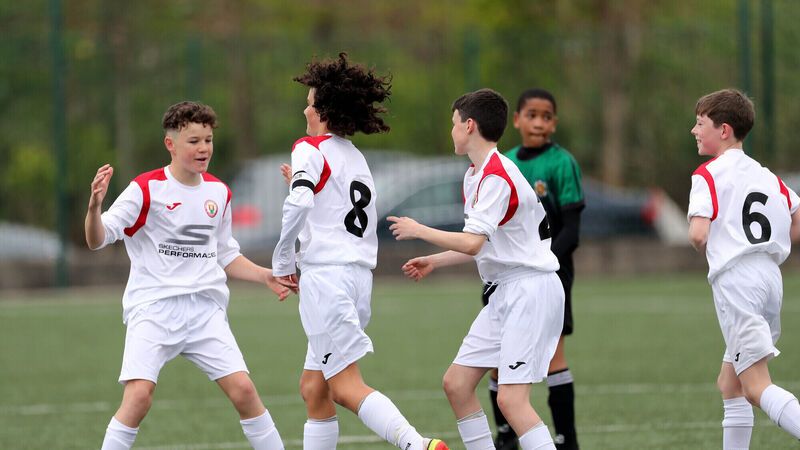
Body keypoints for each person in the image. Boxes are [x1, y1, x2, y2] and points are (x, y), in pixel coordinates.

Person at [85, 101, 290, 450]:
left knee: (244, 390)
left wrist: (264, 276)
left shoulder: (219, 192)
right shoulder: (145, 189)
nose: (204, 149)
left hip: (204, 310)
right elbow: (96, 240)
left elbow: (224, 254)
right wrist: (94, 207)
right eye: (194, 141)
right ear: (171, 144)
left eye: (208, 140)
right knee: (138, 399)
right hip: (153, 308)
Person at [271, 53, 448, 450]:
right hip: (356, 281)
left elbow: (300, 205)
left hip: (327, 280)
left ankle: (417, 444)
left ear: (323, 111)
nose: (305, 107)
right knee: (314, 388)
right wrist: (299, 188)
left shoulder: (308, 147)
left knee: (347, 387)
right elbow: (329, 208)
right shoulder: (355, 157)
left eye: (310, 101)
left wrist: (283, 262)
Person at [389, 88, 564, 450]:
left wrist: (418, 230)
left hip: (529, 291)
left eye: (454, 123)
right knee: (456, 384)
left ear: (469, 126)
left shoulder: (497, 175)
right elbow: (482, 244)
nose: (451, 131)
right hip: (506, 291)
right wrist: (434, 261)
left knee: (512, 401)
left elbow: (471, 243)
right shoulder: (477, 175)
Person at [688, 88, 800, 449]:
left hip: (738, 282)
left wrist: (715, 241)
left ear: (723, 130)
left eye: (700, 123)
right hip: (770, 276)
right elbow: (797, 218)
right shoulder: (767, 175)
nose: (694, 130)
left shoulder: (707, 174)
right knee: (731, 384)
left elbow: (698, 234)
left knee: (755, 386)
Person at [482, 88, 584, 450]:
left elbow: (571, 227)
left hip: (549, 273)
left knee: (554, 353)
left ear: (554, 122)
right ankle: (506, 436)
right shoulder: (504, 162)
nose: (539, 122)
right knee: (496, 355)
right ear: (516, 120)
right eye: (531, 115)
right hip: (504, 275)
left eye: (546, 116)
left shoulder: (562, 164)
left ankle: (565, 439)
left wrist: (544, 264)